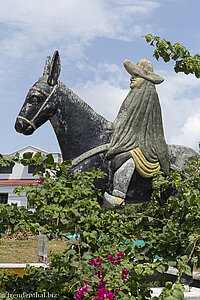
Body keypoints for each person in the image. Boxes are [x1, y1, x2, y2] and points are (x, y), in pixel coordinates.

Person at [103, 58, 170, 209]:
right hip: (130, 138)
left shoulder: (147, 95)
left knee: (128, 157)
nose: (131, 77)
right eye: (132, 74)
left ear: (146, 79)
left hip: (145, 143)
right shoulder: (133, 95)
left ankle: (118, 197)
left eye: (136, 75)